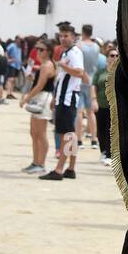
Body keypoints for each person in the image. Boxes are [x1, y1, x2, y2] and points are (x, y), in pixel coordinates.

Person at [40, 24, 86, 180]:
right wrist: (55, 97)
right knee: (70, 134)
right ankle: (71, 168)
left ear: (73, 37)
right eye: (61, 35)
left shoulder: (74, 53)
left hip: (67, 99)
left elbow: (79, 73)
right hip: (63, 97)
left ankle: (59, 169)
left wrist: (63, 65)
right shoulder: (68, 52)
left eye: (66, 35)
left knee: (65, 134)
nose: (63, 38)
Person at [20, 38, 55, 174]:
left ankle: (40, 163)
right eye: (37, 49)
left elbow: (41, 86)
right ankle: (36, 162)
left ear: (49, 51)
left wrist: (26, 99)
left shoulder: (47, 65)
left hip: (43, 99)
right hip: (40, 98)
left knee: (40, 133)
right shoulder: (45, 64)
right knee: (34, 133)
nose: (38, 52)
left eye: (42, 49)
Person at [77, 24, 100, 147]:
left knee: (79, 112)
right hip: (92, 81)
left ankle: (79, 139)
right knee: (91, 112)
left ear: (82, 32)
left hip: (81, 80)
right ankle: (94, 139)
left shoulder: (79, 45)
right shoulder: (96, 46)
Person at [94, 46, 115, 166]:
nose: (114, 58)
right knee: (100, 130)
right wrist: (93, 100)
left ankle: (109, 154)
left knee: (110, 130)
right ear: (107, 58)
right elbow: (94, 85)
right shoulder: (101, 71)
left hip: (114, 106)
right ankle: (103, 151)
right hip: (101, 104)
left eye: (117, 56)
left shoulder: (120, 72)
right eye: (112, 55)